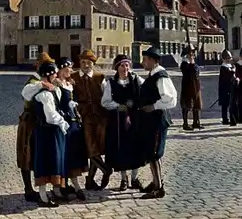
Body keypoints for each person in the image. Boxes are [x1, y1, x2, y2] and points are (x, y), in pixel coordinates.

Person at [138, 46, 177, 199]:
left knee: (154, 153)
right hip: (151, 120)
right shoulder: (153, 75)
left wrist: (154, 106)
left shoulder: (161, 76)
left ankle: (158, 188)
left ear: (154, 61)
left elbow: (169, 99)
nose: (143, 63)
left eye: (145, 60)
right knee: (152, 152)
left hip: (157, 119)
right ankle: (155, 181)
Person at [101, 54, 144, 191]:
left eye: (126, 65)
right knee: (122, 149)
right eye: (121, 65)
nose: (124, 68)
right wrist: (118, 106)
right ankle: (124, 179)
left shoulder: (137, 80)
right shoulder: (111, 83)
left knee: (136, 148)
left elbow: (146, 91)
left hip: (136, 118)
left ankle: (134, 178)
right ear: (116, 67)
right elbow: (105, 101)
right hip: (119, 121)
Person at [72, 49, 112, 190]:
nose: (85, 65)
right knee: (91, 147)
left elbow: (107, 96)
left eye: (88, 62)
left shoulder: (100, 77)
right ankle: (107, 170)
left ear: (93, 64)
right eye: (83, 62)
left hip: (100, 117)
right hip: (83, 117)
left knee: (98, 147)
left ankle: (90, 180)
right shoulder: (73, 77)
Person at [17, 52, 55, 202]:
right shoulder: (33, 82)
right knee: (26, 154)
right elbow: (26, 94)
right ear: (38, 66)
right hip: (29, 121)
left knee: (37, 155)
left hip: (40, 122)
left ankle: (39, 188)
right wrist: (41, 84)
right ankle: (28, 189)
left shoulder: (50, 80)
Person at [32, 61, 69, 207]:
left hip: (54, 132)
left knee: (57, 161)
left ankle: (57, 190)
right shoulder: (44, 94)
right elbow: (50, 116)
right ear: (48, 75)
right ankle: (43, 196)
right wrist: (62, 122)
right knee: (45, 161)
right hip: (47, 131)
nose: (56, 75)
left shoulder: (54, 89)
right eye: (54, 73)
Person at [56, 57, 88, 200]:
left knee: (74, 153)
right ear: (62, 69)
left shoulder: (70, 84)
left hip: (74, 122)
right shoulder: (57, 84)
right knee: (65, 154)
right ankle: (62, 186)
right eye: (69, 68)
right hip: (64, 123)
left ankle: (75, 184)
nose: (71, 71)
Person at [180, 44, 203, 131]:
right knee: (187, 105)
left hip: (195, 85)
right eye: (191, 52)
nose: (193, 54)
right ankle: (185, 123)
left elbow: (196, 72)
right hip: (188, 86)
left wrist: (193, 64)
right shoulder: (184, 64)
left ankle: (196, 122)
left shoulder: (194, 63)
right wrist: (191, 64)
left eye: (193, 52)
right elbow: (188, 73)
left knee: (197, 104)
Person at [218, 49, 238, 126]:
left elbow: (233, 76)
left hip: (231, 87)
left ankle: (233, 118)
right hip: (225, 88)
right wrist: (233, 71)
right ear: (223, 59)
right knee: (225, 105)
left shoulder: (230, 66)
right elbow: (228, 76)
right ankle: (225, 119)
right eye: (226, 58)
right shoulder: (223, 67)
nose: (228, 60)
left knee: (231, 103)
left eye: (229, 58)